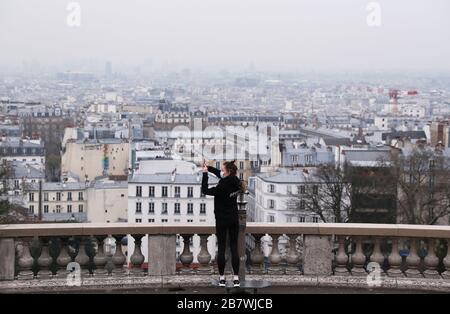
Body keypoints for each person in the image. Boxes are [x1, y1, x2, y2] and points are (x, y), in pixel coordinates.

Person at [202, 160, 242, 287]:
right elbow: (220, 174)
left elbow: (205, 190)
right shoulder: (237, 182)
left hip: (221, 220)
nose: (222, 172)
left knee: (222, 249)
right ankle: (236, 278)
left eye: (223, 170)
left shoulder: (221, 186)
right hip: (233, 218)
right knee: (234, 248)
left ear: (228, 172)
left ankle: (222, 278)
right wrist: (208, 168)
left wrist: (204, 174)